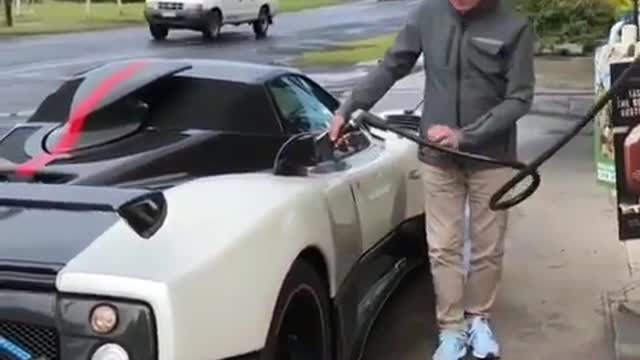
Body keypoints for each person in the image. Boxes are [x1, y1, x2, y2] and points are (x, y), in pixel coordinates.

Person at [328, 0, 535, 359]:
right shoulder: (427, 14)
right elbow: (392, 65)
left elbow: (519, 98)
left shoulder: (513, 26)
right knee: (443, 247)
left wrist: (464, 136)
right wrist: (348, 107)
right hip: (437, 156)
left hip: (490, 157)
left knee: (487, 246)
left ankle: (478, 320)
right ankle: (451, 329)